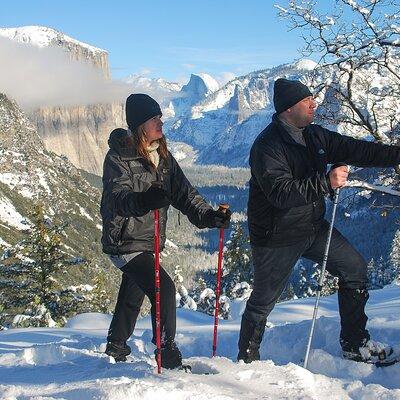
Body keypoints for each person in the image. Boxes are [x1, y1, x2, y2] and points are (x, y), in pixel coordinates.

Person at [238, 78, 400, 364]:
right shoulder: (267, 146)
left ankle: (355, 343)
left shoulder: (314, 135)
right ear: (289, 109)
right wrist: (326, 182)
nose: (314, 104)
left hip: (312, 226)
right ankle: (247, 360)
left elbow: (357, 150)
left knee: (354, 269)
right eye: (307, 101)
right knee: (263, 302)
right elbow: (281, 193)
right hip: (277, 235)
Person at [100, 93, 231, 369]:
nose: (161, 122)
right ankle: (167, 353)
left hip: (148, 241)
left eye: (160, 117)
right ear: (139, 126)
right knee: (164, 288)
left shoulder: (163, 156)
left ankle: (116, 345)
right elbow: (117, 198)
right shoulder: (119, 157)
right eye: (154, 118)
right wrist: (144, 200)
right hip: (125, 239)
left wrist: (209, 217)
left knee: (135, 290)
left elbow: (185, 195)